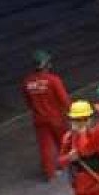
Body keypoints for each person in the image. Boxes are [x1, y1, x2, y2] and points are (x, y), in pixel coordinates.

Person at [21, 50, 69, 181]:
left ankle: (49, 173)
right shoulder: (53, 80)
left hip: (39, 119)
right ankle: (66, 165)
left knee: (45, 146)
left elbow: (28, 102)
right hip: (56, 117)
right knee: (63, 142)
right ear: (47, 64)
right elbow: (64, 99)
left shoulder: (27, 82)